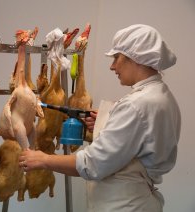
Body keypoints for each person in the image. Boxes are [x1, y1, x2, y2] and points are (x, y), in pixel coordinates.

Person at [19, 24, 181, 212]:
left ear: (136, 57)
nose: (112, 66)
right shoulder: (162, 95)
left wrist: (43, 159)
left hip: (123, 205)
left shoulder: (136, 104)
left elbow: (92, 164)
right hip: (136, 199)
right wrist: (107, 123)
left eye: (116, 58)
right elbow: (142, 138)